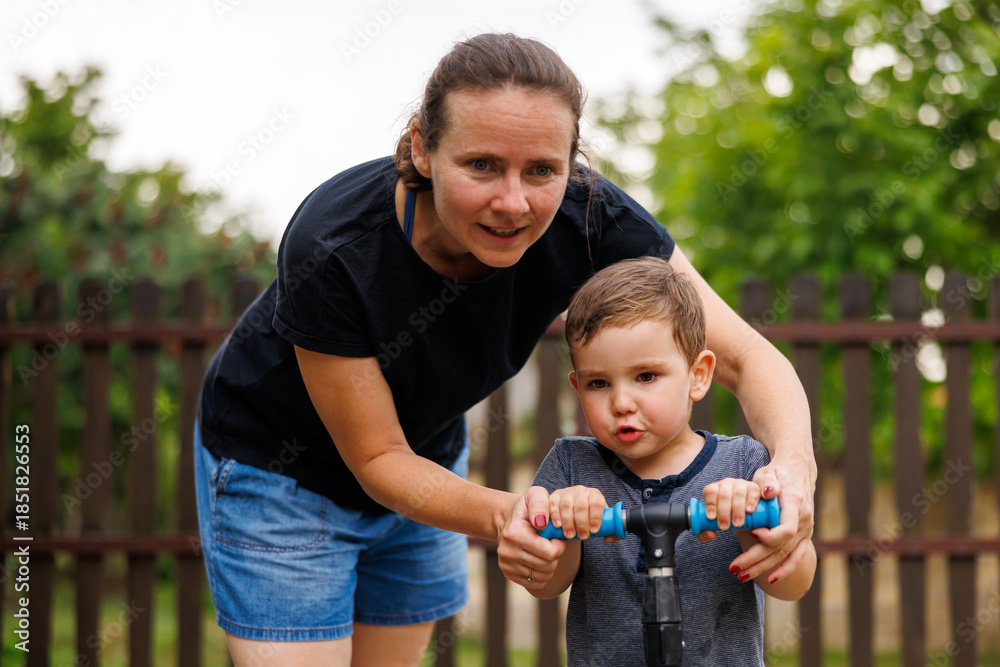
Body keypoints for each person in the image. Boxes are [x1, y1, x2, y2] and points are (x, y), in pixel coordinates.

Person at [193, 32, 816, 667]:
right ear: (423, 148)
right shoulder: (335, 246)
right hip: (280, 472)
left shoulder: (588, 219)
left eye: (542, 170)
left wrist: (793, 476)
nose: (513, 203)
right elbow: (376, 455)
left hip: (424, 466)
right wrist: (519, 513)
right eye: (482, 165)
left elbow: (746, 357)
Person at [528, 257, 817, 666]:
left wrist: (751, 521)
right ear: (577, 387)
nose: (621, 403)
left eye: (646, 376)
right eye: (598, 383)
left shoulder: (743, 464)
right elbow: (544, 585)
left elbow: (795, 584)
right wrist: (570, 525)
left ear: (698, 375)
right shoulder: (571, 466)